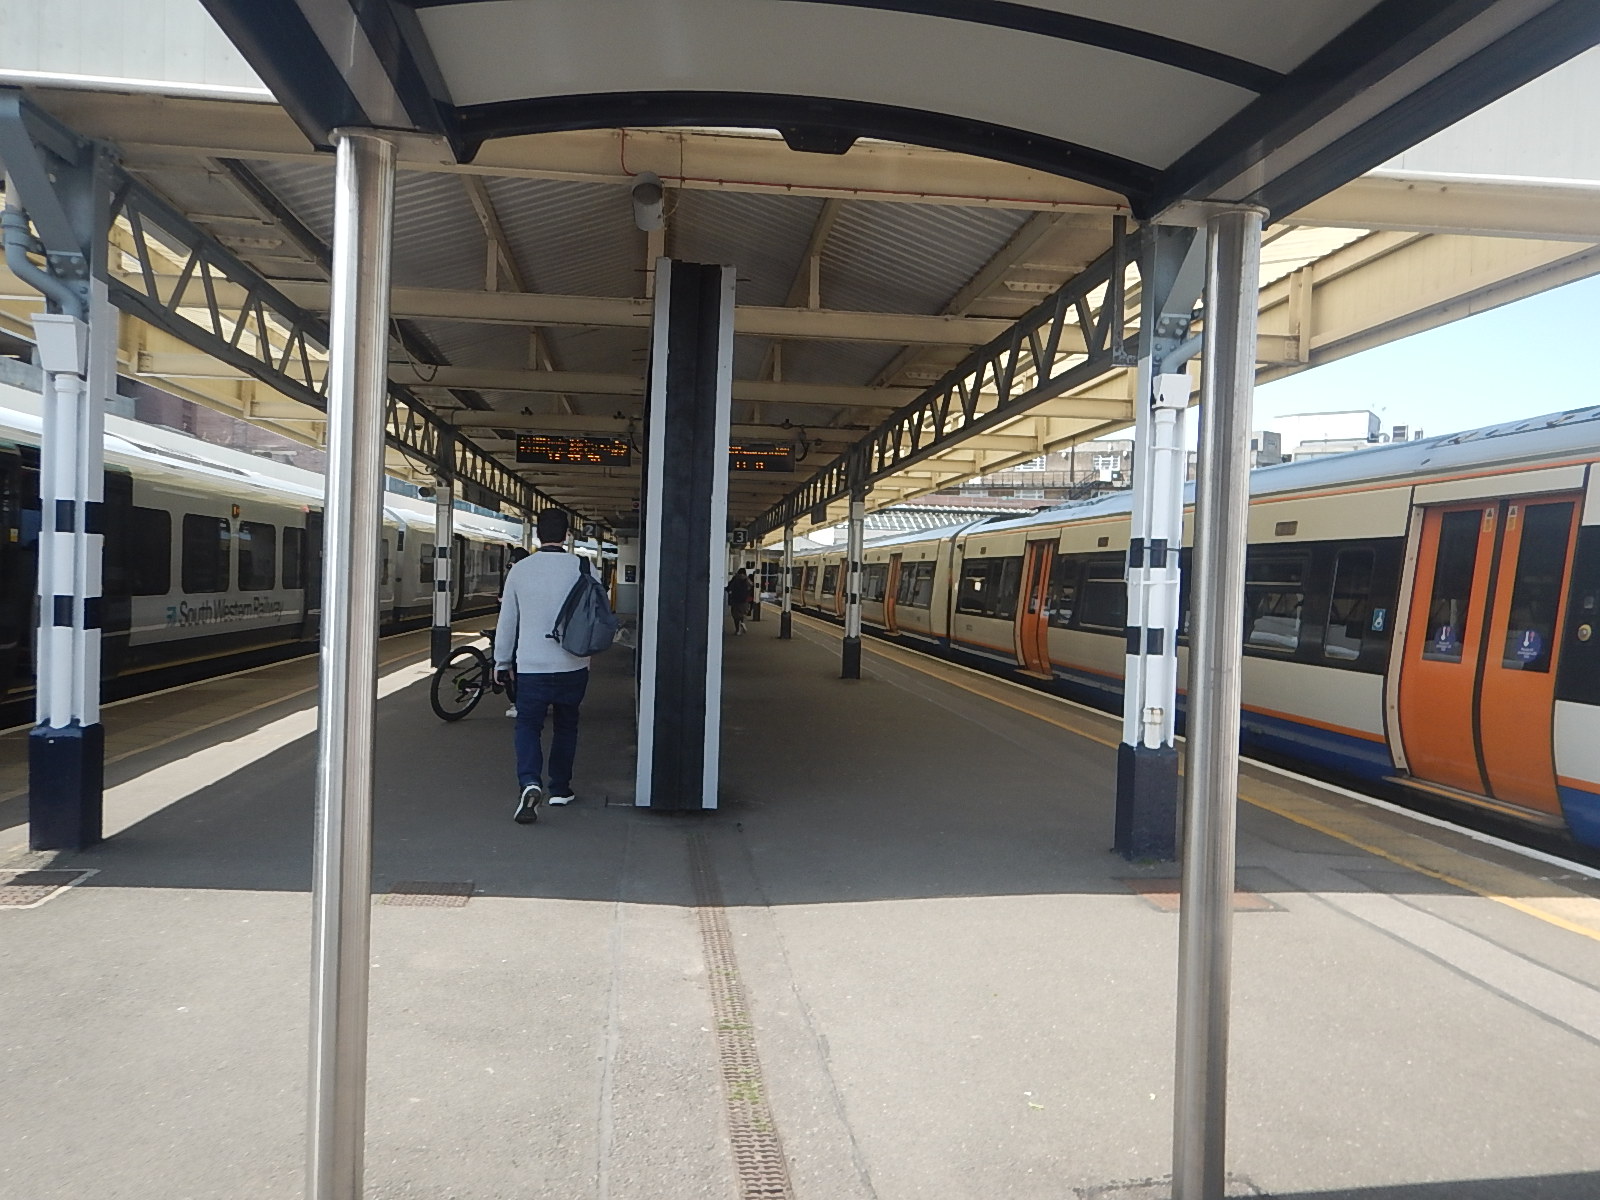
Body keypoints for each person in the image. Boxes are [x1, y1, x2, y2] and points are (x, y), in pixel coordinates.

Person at [494, 510, 592, 824]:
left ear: (538, 534)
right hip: (573, 664)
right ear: (567, 535)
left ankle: (530, 782)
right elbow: (595, 613)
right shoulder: (584, 567)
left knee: (527, 725)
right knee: (566, 725)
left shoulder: (520, 570)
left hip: (531, 666)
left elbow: (507, 621)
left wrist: (502, 661)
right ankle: (560, 789)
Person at [726, 567, 754, 635]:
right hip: (744, 600)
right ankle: (742, 622)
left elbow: (728, 588)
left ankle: (737, 630)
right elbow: (751, 587)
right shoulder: (747, 580)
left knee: (735, 615)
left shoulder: (735, 579)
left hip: (735, 599)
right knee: (742, 613)